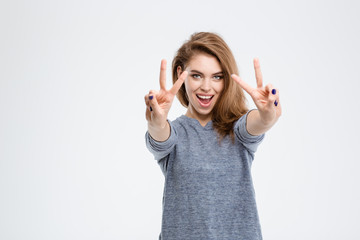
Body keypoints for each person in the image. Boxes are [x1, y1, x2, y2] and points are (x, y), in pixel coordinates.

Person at [144, 32, 281, 240]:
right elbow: (160, 135)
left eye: (217, 77)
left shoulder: (238, 129)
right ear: (181, 74)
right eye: (197, 75)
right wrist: (156, 121)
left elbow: (260, 122)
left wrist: (268, 113)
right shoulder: (176, 133)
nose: (206, 87)